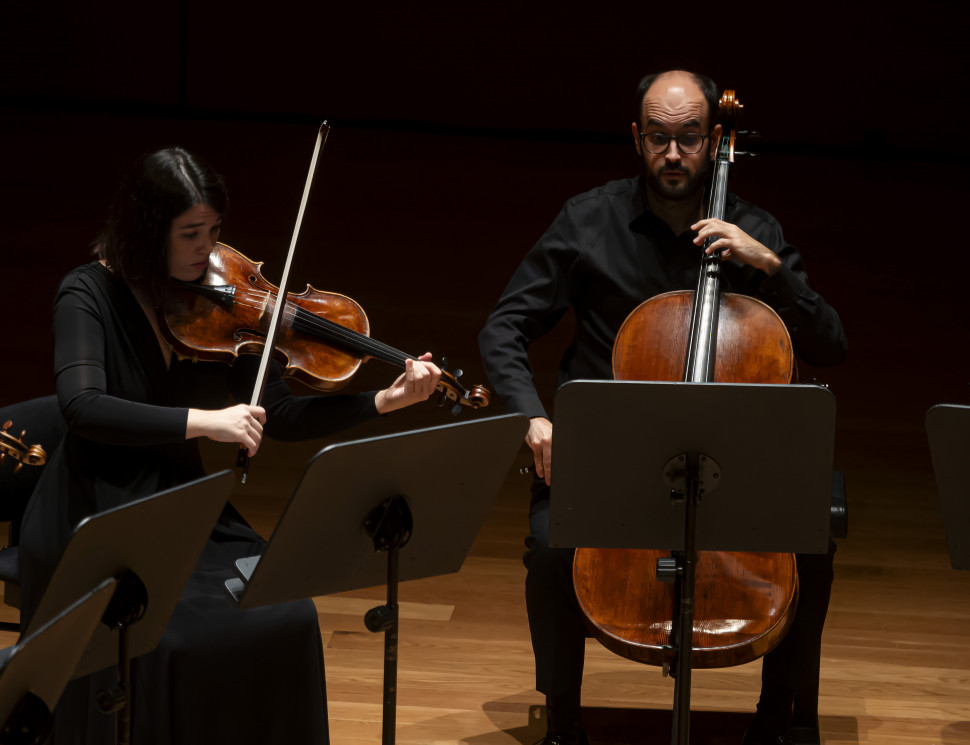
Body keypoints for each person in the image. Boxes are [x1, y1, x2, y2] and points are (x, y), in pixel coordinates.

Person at [17, 146, 443, 745]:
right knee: (175, 640)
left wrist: (383, 402)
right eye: (191, 234)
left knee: (287, 613)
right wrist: (203, 421)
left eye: (214, 231)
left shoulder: (220, 304)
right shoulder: (87, 294)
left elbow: (285, 413)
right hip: (97, 511)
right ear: (147, 230)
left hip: (183, 505)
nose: (207, 249)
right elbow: (82, 407)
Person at [478, 70, 847, 745]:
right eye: (657, 138)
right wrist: (533, 417)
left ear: (712, 140)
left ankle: (779, 720)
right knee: (549, 547)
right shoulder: (587, 219)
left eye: (689, 138)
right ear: (636, 137)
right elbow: (503, 326)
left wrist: (772, 268)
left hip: (730, 466)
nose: (673, 154)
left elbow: (831, 343)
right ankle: (563, 722)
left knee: (812, 540)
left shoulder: (754, 228)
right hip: (614, 460)